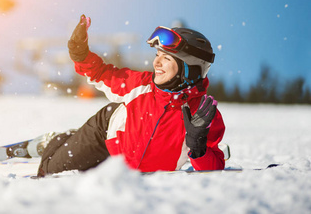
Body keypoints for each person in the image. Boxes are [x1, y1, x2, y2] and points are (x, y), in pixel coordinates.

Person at [36, 15, 225, 177]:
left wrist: (198, 148)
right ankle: (57, 141)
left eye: (166, 58)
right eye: (157, 54)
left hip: (125, 163)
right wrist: (80, 54)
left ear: (189, 69)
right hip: (105, 135)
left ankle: (75, 142)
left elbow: (213, 169)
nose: (156, 62)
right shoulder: (141, 84)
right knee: (51, 171)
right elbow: (101, 73)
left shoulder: (202, 114)